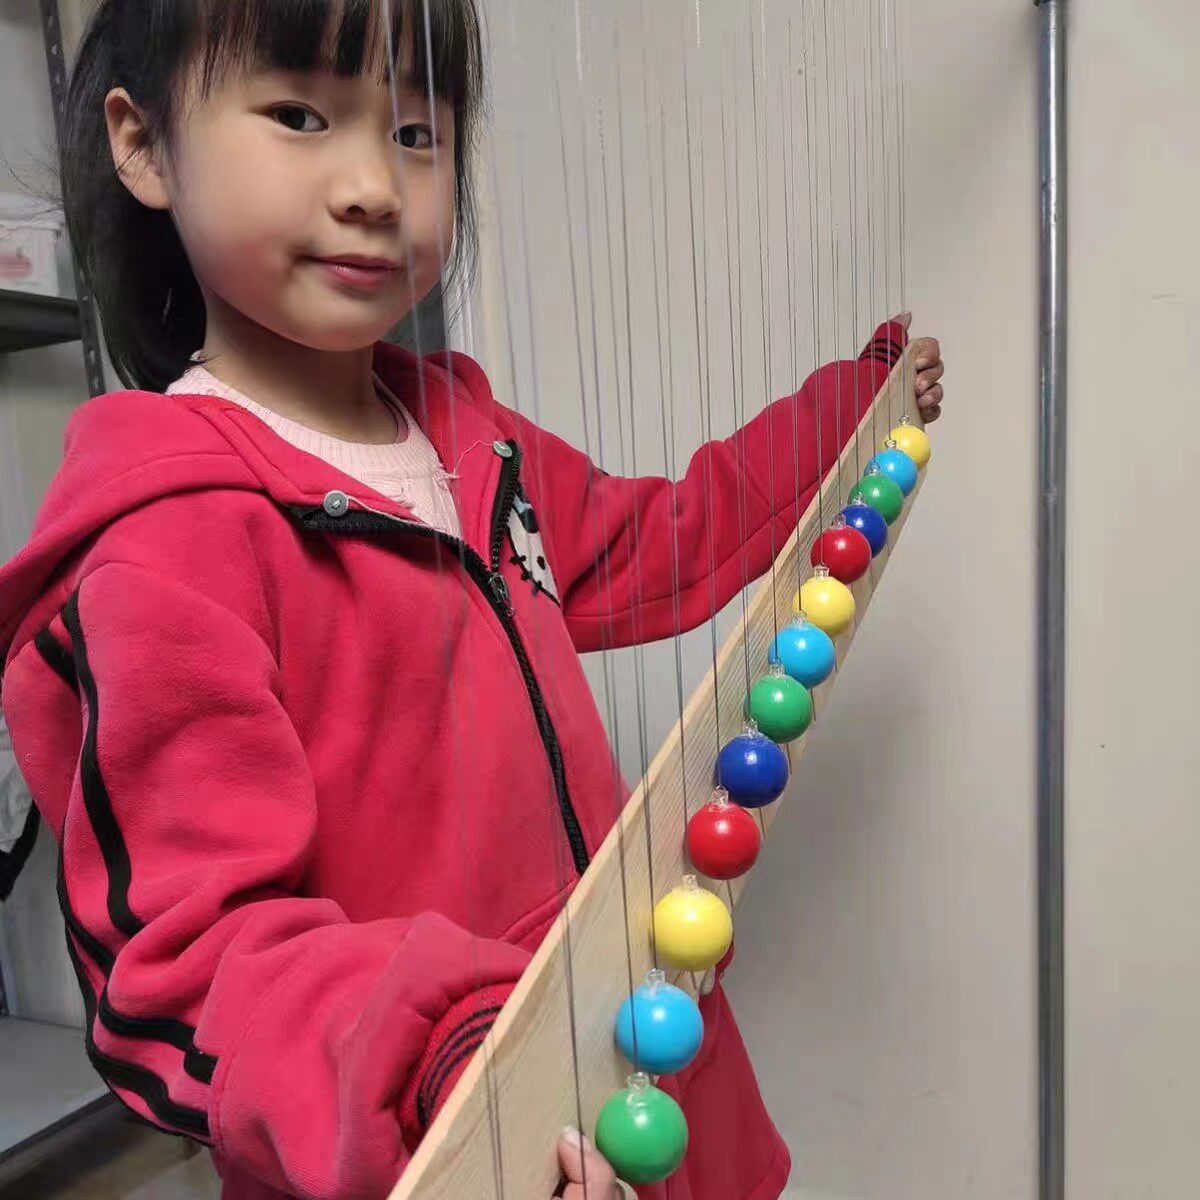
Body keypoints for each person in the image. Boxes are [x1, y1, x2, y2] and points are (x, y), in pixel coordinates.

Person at [0, 3, 945, 1199]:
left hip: (631, 1076)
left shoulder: (471, 439)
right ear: (143, 146)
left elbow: (662, 538)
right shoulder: (164, 544)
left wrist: (849, 413)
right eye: (297, 114)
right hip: (447, 1135)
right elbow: (195, 963)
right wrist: (448, 1063)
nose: (372, 189)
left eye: (416, 132)